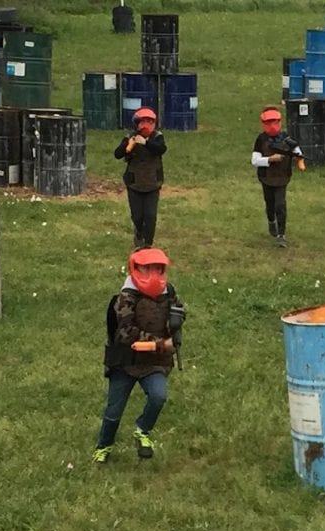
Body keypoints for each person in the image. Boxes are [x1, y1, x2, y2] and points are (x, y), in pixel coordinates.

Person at [93, 247, 184, 463]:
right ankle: (104, 446)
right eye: (147, 268)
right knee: (114, 411)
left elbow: (177, 314)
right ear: (136, 269)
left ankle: (142, 430)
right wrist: (161, 344)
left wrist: (177, 322)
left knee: (158, 396)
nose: (152, 274)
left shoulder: (168, 293)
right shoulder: (126, 297)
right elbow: (127, 334)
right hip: (124, 363)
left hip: (154, 364)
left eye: (157, 269)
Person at [250, 105, 304, 247]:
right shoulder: (261, 140)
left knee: (280, 204)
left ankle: (281, 235)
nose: (272, 126)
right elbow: (254, 161)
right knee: (270, 204)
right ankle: (271, 221)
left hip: (282, 177)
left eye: (275, 122)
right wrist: (270, 159)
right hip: (266, 177)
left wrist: (299, 159)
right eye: (269, 123)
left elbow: (297, 150)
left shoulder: (286, 137)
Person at [115, 107, 166, 249]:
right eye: (143, 122)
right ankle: (138, 234)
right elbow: (117, 154)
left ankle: (148, 243)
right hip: (134, 183)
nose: (146, 126)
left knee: (150, 215)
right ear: (137, 124)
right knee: (137, 215)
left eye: (150, 122)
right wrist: (128, 145)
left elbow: (161, 149)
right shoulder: (130, 137)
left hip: (152, 183)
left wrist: (145, 142)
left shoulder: (157, 137)